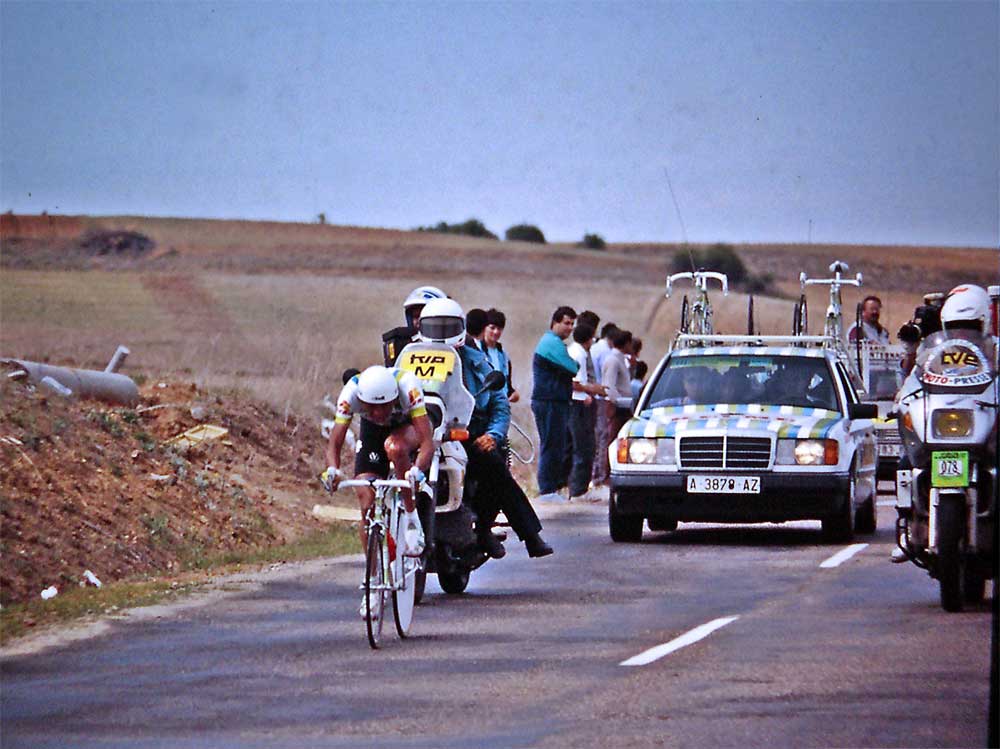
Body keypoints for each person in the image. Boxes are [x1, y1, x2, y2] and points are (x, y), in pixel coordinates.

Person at [420, 298, 553, 558]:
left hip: (465, 431)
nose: (442, 333)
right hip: (424, 432)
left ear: (461, 327)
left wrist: (493, 434)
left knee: (494, 465)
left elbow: (499, 402)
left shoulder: (475, 359)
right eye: (435, 327)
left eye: (448, 327)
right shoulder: (412, 357)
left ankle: (514, 533)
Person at [321, 364, 434, 618]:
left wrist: (417, 470)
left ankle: (411, 517)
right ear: (361, 401)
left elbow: (427, 442)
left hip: (409, 425)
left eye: (384, 406)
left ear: (394, 397)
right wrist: (332, 470)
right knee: (366, 500)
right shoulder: (350, 394)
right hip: (372, 432)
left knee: (395, 448)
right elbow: (334, 443)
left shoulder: (408, 386)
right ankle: (372, 585)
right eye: (371, 407)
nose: (378, 412)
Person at [531, 306, 579, 500]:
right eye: (566, 323)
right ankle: (547, 489)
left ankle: (552, 487)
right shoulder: (551, 343)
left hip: (554, 401)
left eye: (572, 324)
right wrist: (574, 365)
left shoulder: (556, 343)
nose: (569, 328)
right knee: (551, 445)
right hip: (549, 401)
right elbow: (571, 366)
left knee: (557, 445)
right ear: (555, 323)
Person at [566, 322, 605, 500]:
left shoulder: (575, 350)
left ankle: (577, 487)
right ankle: (578, 490)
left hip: (578, 403)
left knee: (582, 446)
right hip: (578, 405)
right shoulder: (579, 354)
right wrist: (595, 389)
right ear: (589, 339)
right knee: (583, 447)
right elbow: (576, 383)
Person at [595, 328, 634, 485]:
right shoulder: (613, 360)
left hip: (622, 405)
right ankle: (605, 475)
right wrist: (616, 401)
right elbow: (609, 385)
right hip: (617, 406)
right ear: (626, 343)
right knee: (611, 438)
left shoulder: (620, 359)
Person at [382, 285, 448, 366]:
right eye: (416, 316)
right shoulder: (404, 347)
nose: (420, 321)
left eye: (425, 316)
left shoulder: (460, 346)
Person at [482, 307, 520, 403]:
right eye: (492, 328)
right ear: (484, 328)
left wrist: (513, 394)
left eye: (499, 329)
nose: (496, 332)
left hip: (501, 406)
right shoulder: (476, 352)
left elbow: (507, 385)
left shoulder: (504, 356)